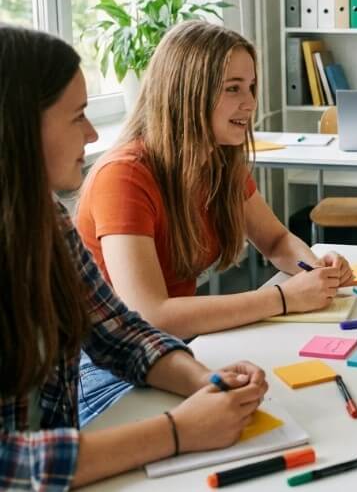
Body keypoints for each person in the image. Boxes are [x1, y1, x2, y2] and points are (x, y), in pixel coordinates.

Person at [0, 25, 268, 490]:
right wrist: (177, 432)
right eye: (78, 116)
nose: (90, 132)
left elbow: (119, 331)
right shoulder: (124, 172)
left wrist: (205, 381)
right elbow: (9, 462)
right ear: (19, 125)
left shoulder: (43, 217)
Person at [74, 20, 351, 424]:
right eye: (233, 88)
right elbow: (151, 314)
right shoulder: (124, 176)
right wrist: (285, 298)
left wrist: (314, 271)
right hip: (110, 371)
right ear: (188, 93)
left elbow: (274, 241)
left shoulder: (219, 162)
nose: (251, 102)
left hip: (183, 350)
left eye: (251, 87)